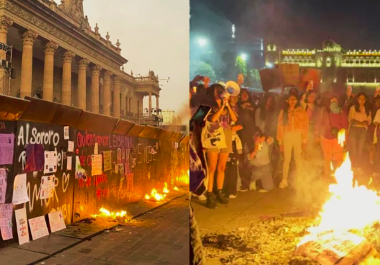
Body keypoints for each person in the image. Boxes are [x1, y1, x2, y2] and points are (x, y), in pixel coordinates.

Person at [203, 84, 237, 209]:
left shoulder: (228, 106)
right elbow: (212, 119)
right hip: (214, 136)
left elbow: (234, 119)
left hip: (226, 135)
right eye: (219, 91)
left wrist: (227, 105)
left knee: (222, 167)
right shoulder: (209, 106)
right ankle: (209, 194)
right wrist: (221, 106)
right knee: (212, 167)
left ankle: (219, 191)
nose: (222, 93)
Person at [277, 91, 309, 188]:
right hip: (287, 136)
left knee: (298, 159)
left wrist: (304, 140)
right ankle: (284, 180)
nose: (292, 101)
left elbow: (305, 126)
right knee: (287, 159)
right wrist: (280, 142)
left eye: (294, 99)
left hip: (297, 136)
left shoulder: (301, 111)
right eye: (291, 99)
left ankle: (299, 180)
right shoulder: (284, 112)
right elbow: (280, 126)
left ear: (297, 101)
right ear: (287, 100)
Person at [316, 94, 348, 179]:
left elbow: (345, 126)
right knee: (327, 159)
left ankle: (339, 177)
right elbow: (319, 124)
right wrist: (318, 136)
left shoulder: (341, 112)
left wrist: (345, 139)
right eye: (332, 101)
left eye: (335, 101)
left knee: (339, 159)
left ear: (338, 102)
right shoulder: (324, 111)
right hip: (325, 137)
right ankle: (326, 176)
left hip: (338, 138)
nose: (333, 102)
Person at [245, 127, 274, 192]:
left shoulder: (264, 141)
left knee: (269, 187)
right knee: (258, 172)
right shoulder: (249, 144)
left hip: (265, 165)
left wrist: (265, 137)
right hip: (254, 165)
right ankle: (253, 180)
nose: (257, 138)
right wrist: (255, 149)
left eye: (258, 135)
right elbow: (249, 158)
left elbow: (271, 140)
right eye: (255, 136)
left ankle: (262, 182)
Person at [348, 92, 372, 168]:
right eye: (360, 99)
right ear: (357, 99)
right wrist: (361, 123)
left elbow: (369, 121)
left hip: (363, 131)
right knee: (354, 149)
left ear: (366, 100)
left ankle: (358, 165)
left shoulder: (367, 109)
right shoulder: (353, 108)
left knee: (360, 149)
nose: (362, 101)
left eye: (363, 99)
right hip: (354, 130)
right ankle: (352, 165)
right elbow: (351, 120)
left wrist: (364, 123)